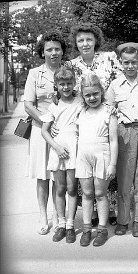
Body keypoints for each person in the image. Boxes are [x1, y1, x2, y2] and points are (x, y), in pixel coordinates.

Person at [63, 22, 138, 227]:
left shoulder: (109, 58)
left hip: (109, 117)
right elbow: (64, 88)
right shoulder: (71, 65)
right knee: (87, 168)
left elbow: (130, 71)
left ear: (96, 41)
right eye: (81, 40)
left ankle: (109, 210)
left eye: (89, 39)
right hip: (83, 118)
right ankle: (91, 214)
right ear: (76, 42)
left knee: (107, 164)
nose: (85, 43)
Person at [105, 42, 138, 238]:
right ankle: (123, 220)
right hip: (124, 133)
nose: (130, 66)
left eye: (133, 62)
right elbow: (108, 109)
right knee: (125, 178)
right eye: (126, 62)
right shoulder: (115, 85)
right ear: (120, 62)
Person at [24, 31, 67, 235]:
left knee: (59, 175)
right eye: (49, 49)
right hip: (40, 130)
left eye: (57, 49)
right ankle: (43, 215)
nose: (53, 52)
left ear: (62, 51)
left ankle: (58, 216)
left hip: (63, 131)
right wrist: (46, 122)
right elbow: (28, 105)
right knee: (42, 176)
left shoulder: (69, 71)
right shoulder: (35, 73)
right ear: (43, 52)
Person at [75, 73, 118, 247]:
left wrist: (113, 164)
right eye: (87, 95)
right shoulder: (81, 111)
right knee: (86, 194)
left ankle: (102, 229)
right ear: (82, 96)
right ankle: (86, 230)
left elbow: (114, 140)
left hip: (102, 155)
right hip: (83, 156)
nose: (92, 98)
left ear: (101, 92)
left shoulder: (109, 112)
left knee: (100, 194)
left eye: (95, 94)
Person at [40, 66, 80, 243]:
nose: (65, 87)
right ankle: (61, 224)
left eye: (69, 83)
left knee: (72, 189)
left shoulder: (79, 101)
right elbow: (44, 131)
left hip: (74, 149)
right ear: (56, 85)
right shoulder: (54, 105)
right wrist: (55, 147)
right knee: (60, 188)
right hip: (58, 150)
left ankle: (70, 225)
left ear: (74, 83)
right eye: (62, 84)